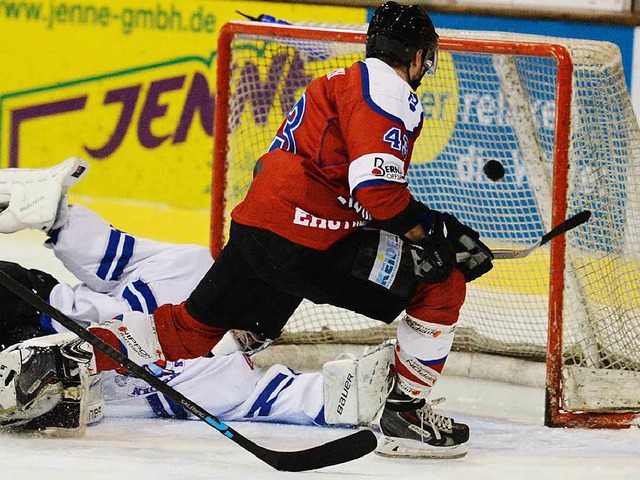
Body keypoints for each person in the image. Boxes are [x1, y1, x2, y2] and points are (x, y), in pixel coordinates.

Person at [1, 1, 494, 459]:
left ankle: (73, 359)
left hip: (259, 227)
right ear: (417, 56)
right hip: (313, 240)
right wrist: (433, 236)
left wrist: (433, 230)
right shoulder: (392, 93)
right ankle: (406, 415)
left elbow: (317, 177)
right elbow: (376, 192)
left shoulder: (337, 83)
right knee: (441, 285)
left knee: (188, 331)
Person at [0, 159, 394, 435]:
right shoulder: (190, 266)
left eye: (258, 336)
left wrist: (352, 392)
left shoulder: (221, 374)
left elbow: (281, 396)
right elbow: (106, 252)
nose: (251, 340)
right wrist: (55, 214)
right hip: (31, 304)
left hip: (42, 382)